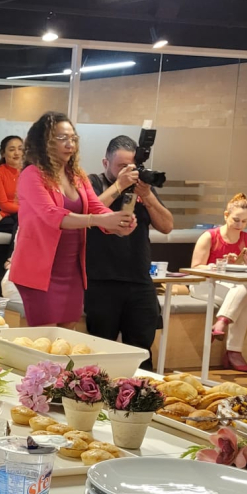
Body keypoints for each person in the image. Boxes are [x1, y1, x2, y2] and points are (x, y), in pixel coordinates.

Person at [9, 112, 135, 327]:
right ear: (44, 141)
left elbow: (96, 207)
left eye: (73, 138)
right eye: (62, 138)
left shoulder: (76, 175)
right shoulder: (32, 174)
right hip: (39, 272)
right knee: (45, 338)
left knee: (67, 336)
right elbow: (52, 215)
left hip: (72, 270)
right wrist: (99, 220)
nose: (70, 144)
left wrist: (119, 222)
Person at [85, 135, 173, 368]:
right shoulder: (93, 182)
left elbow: (167, 226)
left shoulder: (143, 188)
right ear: (105, 163)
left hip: (139, 281)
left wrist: (148, 195)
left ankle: (141, 390)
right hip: (101, 281)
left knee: (141, 350)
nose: (128, 172)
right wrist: (119, 186)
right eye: (121, 166)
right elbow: (87, 213)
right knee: (100, 350)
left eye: (132, 166)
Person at [190, 193, 247, 373]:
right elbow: (195, 267)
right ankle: (234, 352)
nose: (240, 225)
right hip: (204, 284)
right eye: (236, 220)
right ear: (226, 215)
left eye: (244, 221)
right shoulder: (209, 236)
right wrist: (218, 265)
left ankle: (222, 322)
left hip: (232, 286)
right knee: (246, 300)